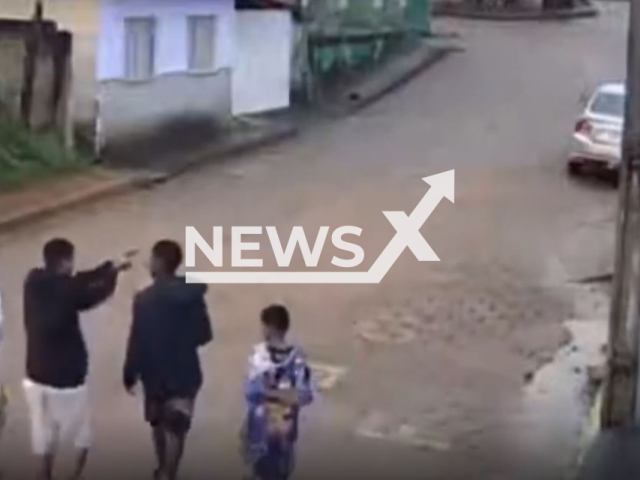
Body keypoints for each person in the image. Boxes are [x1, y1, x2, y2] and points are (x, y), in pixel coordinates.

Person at [23, 238, 129, 480]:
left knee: (44, 433)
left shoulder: (33, 279)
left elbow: (76, 281)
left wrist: (108, 266)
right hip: (68, 379)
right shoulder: (70, 292)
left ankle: (45, 474)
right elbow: (98, 293)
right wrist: (113, 274)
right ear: (65, 262)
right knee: (82, 435)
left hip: (36, 373)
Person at [123, 240, 212, 480]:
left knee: (158, 422)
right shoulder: (192, 295)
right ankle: (168, 473)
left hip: (154, 375)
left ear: (159, 264)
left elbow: (136, 340)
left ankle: (162, 468)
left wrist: (129, 374)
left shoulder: (143, 300)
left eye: (152, 259)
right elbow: (205, 335)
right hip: (185, 373)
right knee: (177, 428)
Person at [241, 304, 314, 480]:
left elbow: (251, 392)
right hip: (285, 431)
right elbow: (304, 395)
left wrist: (271, 393)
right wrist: (286, 396)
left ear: (268, 327)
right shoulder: (298, 357)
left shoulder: (259, 356)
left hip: (261, 430)